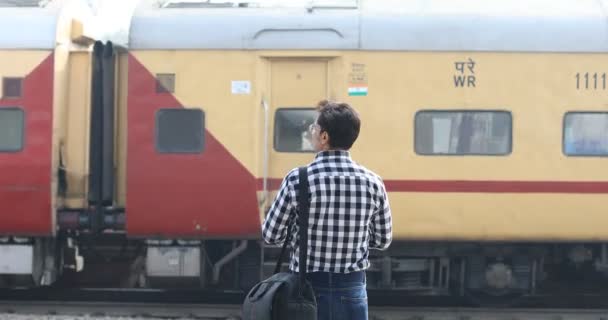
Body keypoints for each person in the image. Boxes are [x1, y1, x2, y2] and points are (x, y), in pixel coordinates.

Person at [262, 100, 393, 320]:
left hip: (306, 291)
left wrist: (299, 234)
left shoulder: (298, 179)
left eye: (314, 128)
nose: (311, 132)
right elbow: (382, 240)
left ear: (324, 137)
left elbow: (270, 235)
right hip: (352, 290)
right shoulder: (373, 182)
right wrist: (353, 235)